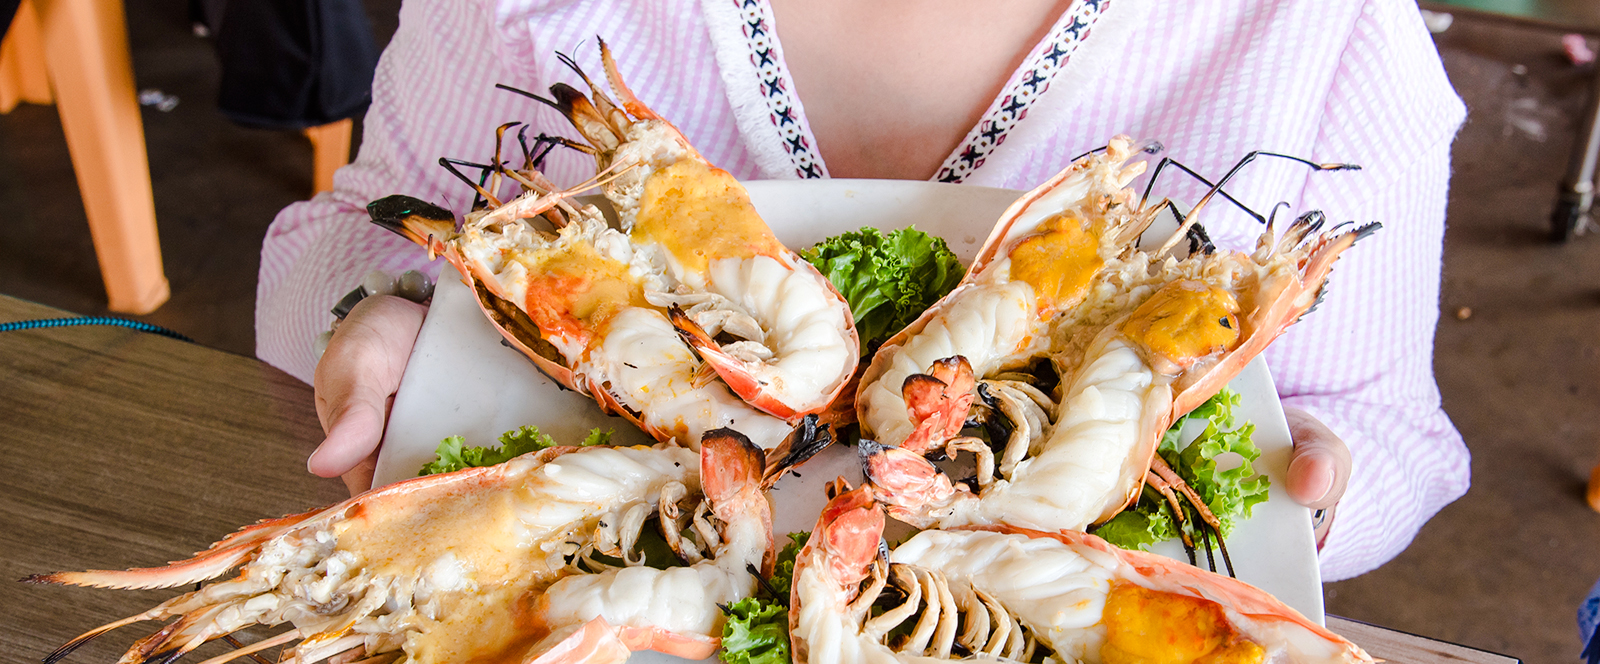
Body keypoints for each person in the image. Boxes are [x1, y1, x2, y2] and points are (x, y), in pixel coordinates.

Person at [256, 0, 1469, 581]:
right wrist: (372, 322)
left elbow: (1392, 434)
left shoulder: (1331, 36)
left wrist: (1305, 490)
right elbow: (344, 236)